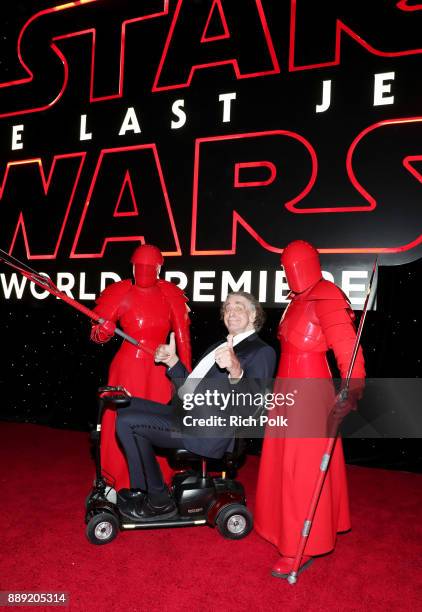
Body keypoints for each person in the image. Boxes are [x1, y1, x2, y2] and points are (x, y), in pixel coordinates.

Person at [255, 240, 365, 578]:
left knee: (302, 469)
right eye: (287, 267)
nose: (292, 273)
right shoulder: (296, 302)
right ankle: (281, 529)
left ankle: (302, 545)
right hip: (287, 392)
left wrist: (353, 388)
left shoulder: (327, 296)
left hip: (311, 392)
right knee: (282, 465)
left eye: (296, 265)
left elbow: (348, 349)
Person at [115, 291, 276, 521]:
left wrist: (236, 371)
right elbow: (190, 388)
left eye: (238, 307)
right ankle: (144, 490)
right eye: (227, 308)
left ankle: (158, 502)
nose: (231, 312)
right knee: (126, 408)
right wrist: (172, 361)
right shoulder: (218, 347)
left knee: (130, 423)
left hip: (209, 430)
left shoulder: (261, 351)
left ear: (253, 315)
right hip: (188, 414)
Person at [90, 244, 191, 490]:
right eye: (139, 267)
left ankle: (158, 480)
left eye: (150, 266)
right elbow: (96, 335)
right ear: (132, 267)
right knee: (119, 418)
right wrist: (103, 330)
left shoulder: (171, 294)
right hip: (128, 367)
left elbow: (182, 339)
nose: (144, 271)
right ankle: (115, 479)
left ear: (159, 268)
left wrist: (186, 379)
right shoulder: (119, 292)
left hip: (161, 365)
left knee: (158, 421)